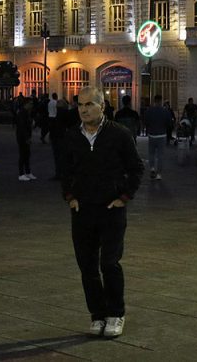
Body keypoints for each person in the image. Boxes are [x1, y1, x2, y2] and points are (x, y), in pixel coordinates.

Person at [62, 85, 144, 339]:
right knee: (87, 267)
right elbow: (65, 171)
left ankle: (116, 314)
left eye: (90, 104)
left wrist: (124, 197)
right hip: (82, 210)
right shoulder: (71, 137)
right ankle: (97, 315)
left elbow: (136, 168)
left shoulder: (119, 134)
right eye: (80, 105)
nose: (84, 110)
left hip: (111, 210)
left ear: (103, 106)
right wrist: (70, 196)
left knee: (109, 263)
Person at [143, 95, 171, 180]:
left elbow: (145, 121)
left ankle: (152, 168)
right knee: (160, 155)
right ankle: (159, 174)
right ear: (161, 101)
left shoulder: (149, 110)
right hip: (162, 135)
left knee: (151, 153)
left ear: (154, 100)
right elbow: (169, 123)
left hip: (152, 135)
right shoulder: (165, 111)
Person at [15, 98, 36, 181]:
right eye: (30, 103)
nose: (31, 105)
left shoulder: (26, 113)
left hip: (25, 136)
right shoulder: (22, 113)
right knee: (23, 155)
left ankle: (27, 172)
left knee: (27, 154)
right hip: (22, 137)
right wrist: (27, 137)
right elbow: (22, 127)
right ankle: (21, 173)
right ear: (26, 104)